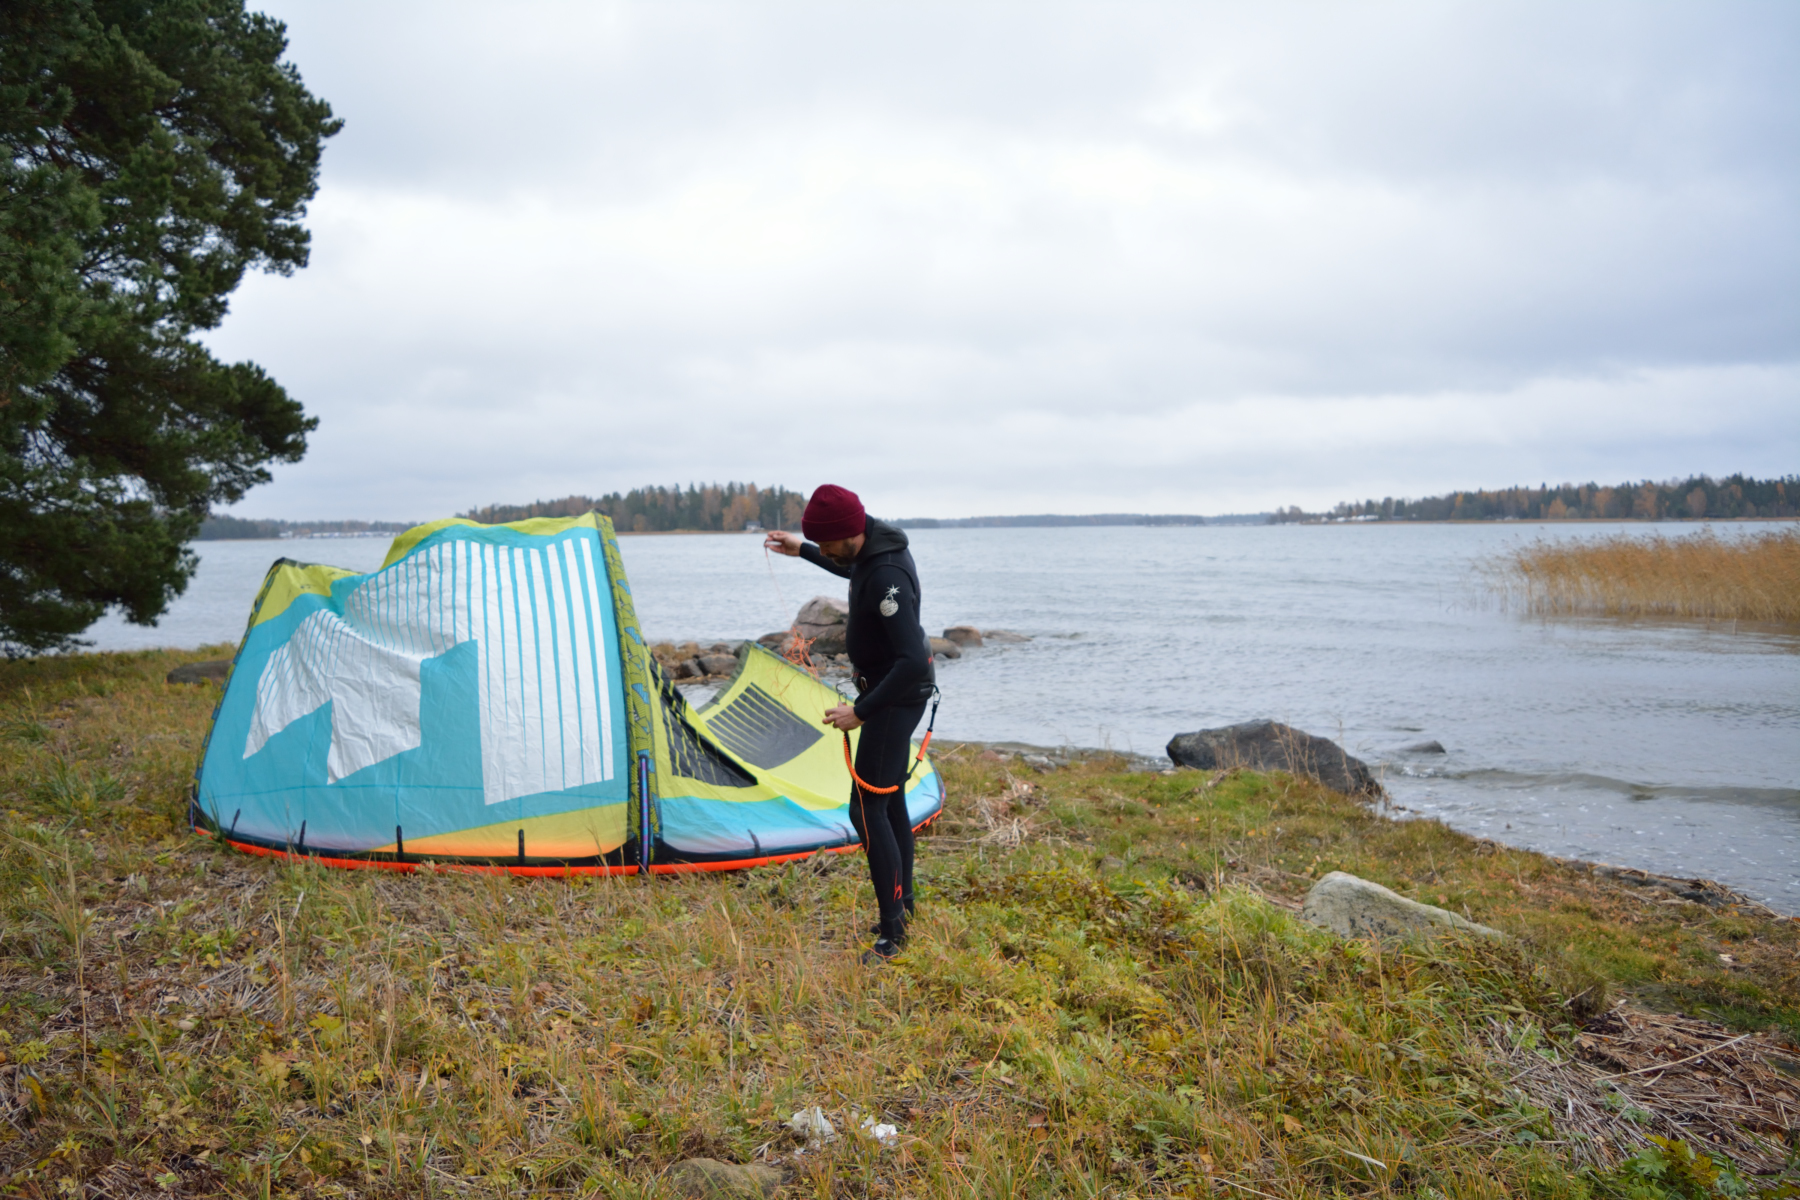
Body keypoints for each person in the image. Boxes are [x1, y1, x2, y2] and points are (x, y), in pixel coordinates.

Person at [764, 484, 935, 963]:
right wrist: (803, 551)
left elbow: (912, 663)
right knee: (888, 800)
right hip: (890, 693)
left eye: (826, 542)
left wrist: (861, 711)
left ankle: (892, 934)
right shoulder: (870, 545)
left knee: (865, 810)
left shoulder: (885, 575)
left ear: (847, 534)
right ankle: (905, 904)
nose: (831, 553)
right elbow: (845, 561)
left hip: (895, 698)